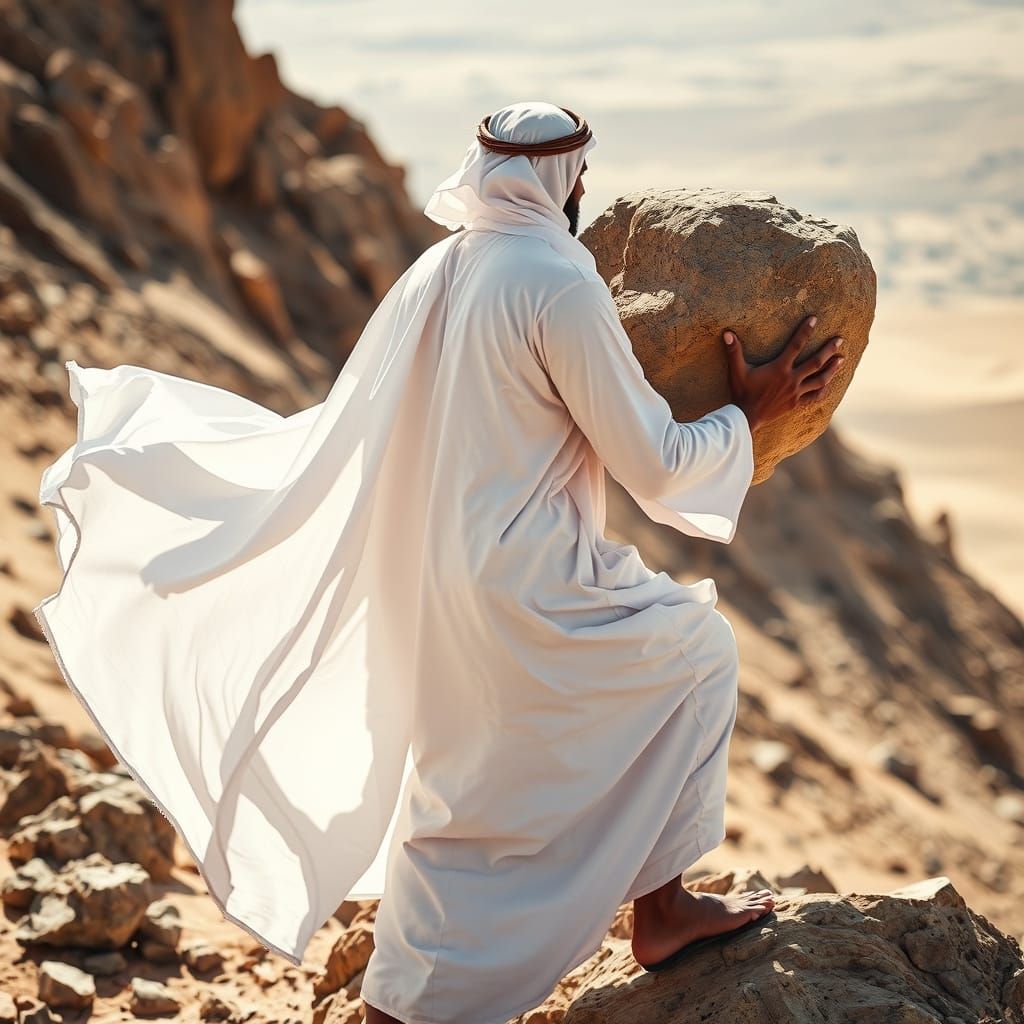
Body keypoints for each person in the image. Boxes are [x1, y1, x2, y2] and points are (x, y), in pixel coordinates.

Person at [32, 100, 844, 1024]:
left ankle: (396, 1005)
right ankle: (660, 911)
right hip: (532, 580)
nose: (583, 189)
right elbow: (654, 459)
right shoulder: (556, 280)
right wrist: (753, 412)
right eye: (578, 173)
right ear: (562, 177)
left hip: (431, 578)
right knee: (698, 657)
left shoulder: (442, 265)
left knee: (458, 785)